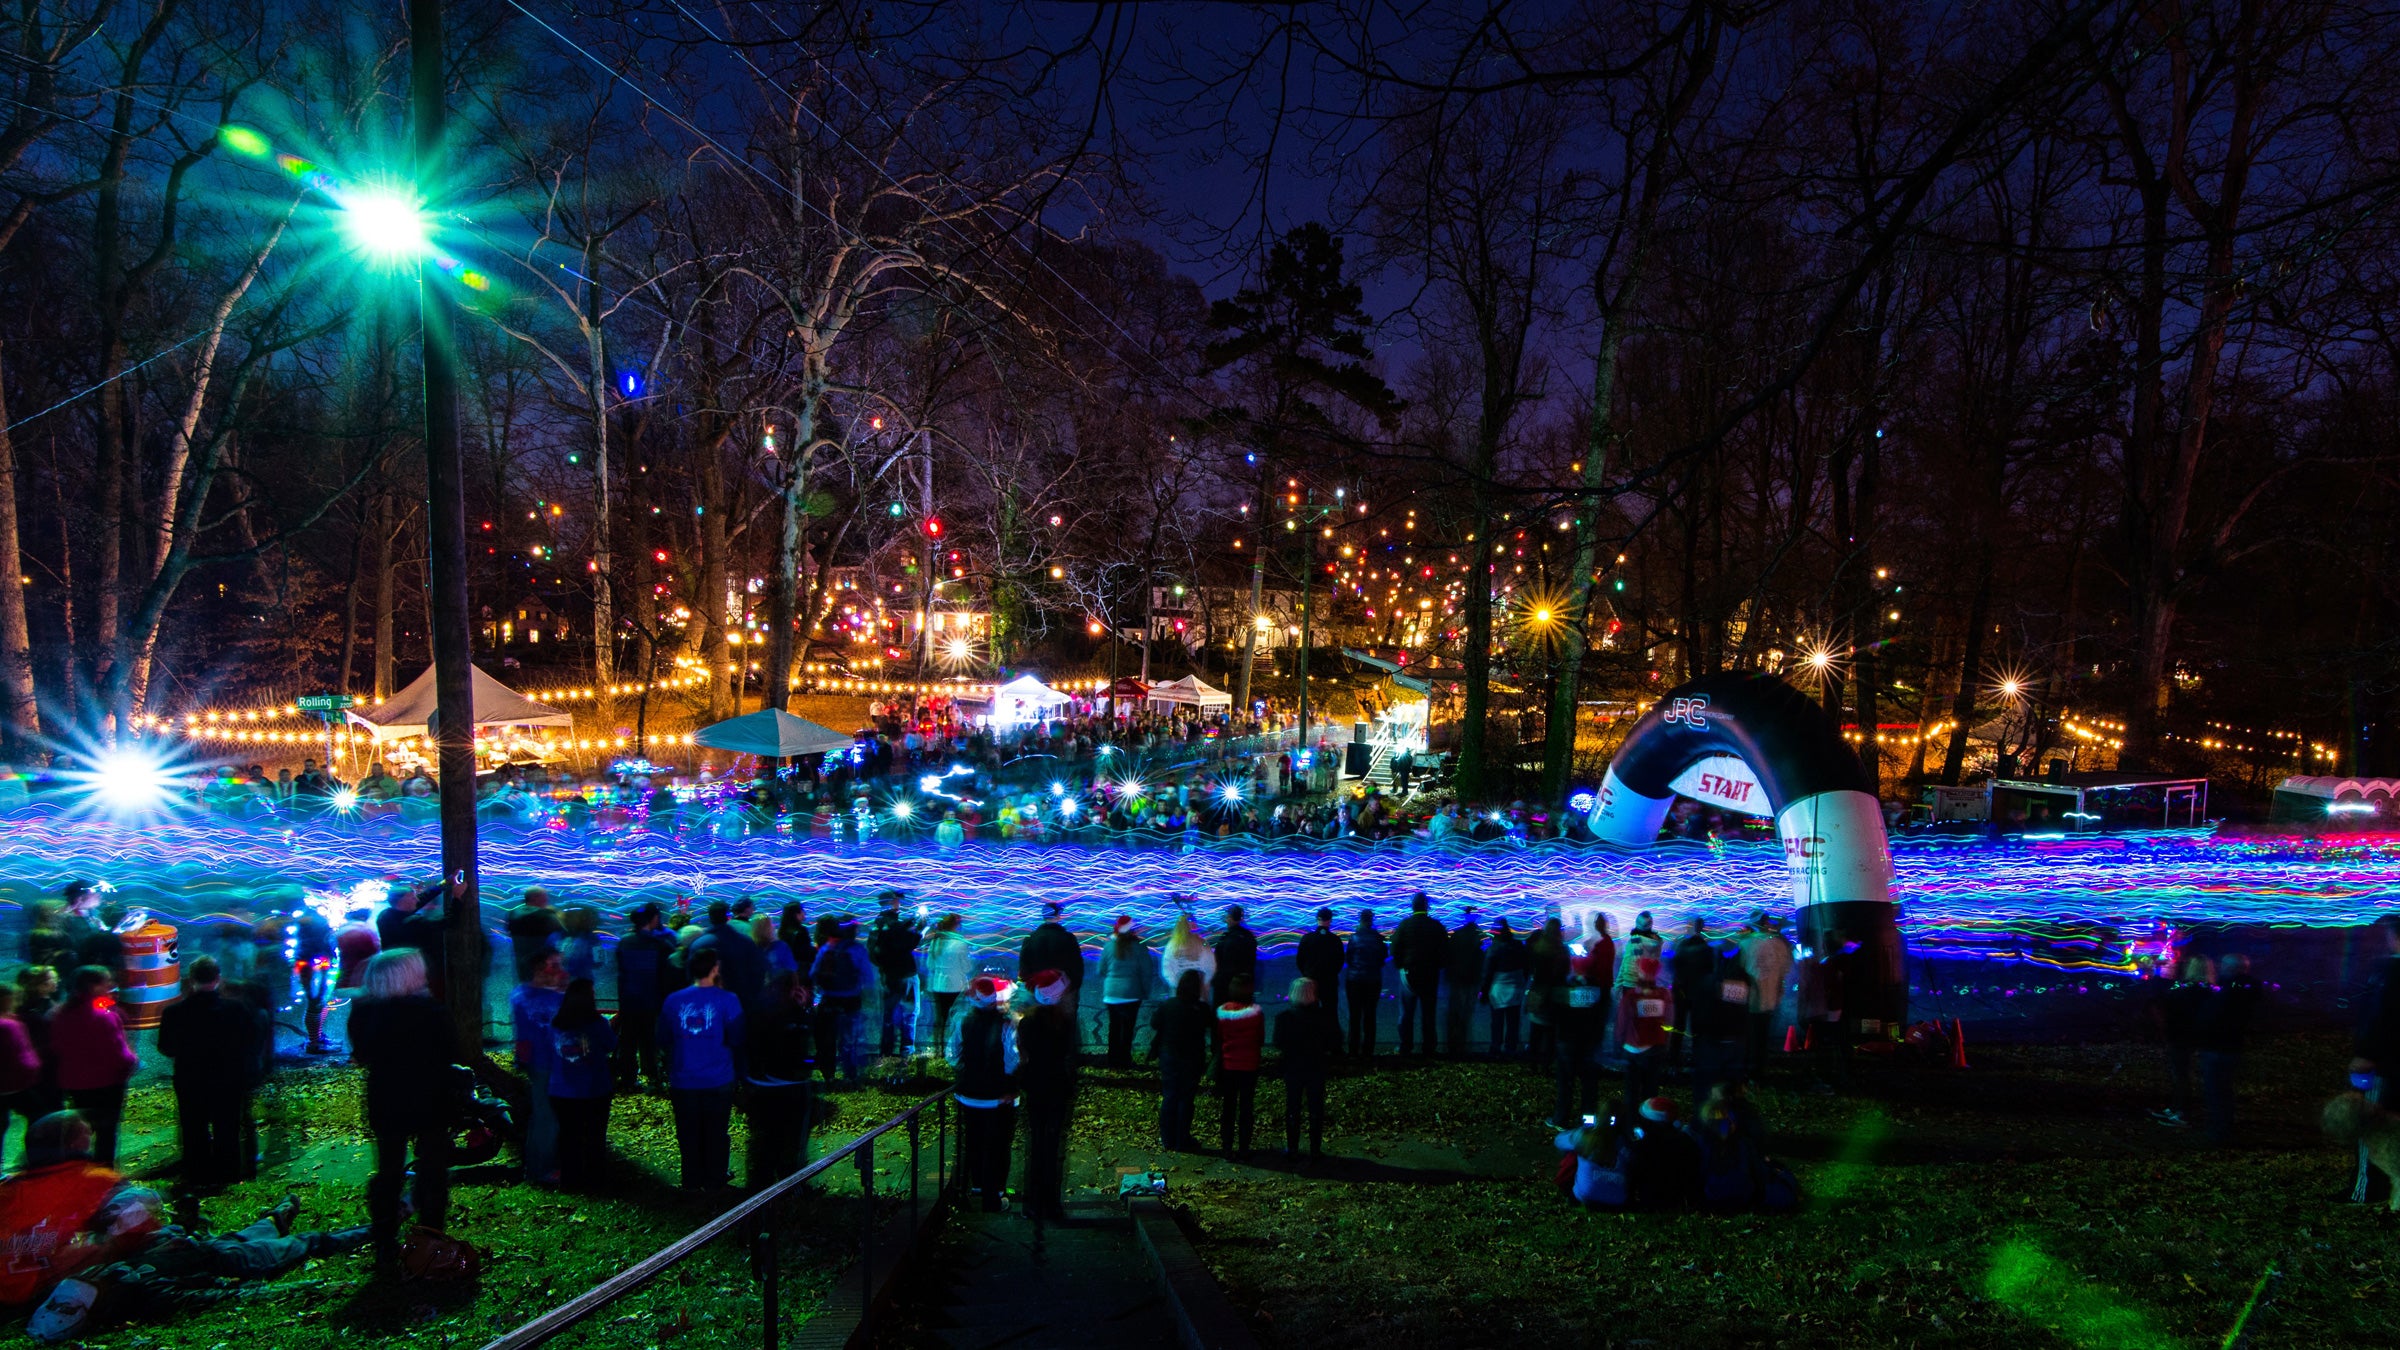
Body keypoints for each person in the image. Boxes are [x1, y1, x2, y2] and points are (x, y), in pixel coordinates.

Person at [1, 1113, 367, 1339]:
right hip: (110, 1275)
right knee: (221, 1253)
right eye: (86, 1134)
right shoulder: (91, 1181)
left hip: (27, 1298)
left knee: (215, 1244)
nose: (93, 1138)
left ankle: (273, 1221)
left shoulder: (8, 1190)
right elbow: (137, 1226)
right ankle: (331, 1236)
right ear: (73, 1143)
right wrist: (106, 1245)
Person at [347, 950, 454, 1270]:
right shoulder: (431, 1012)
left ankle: (385, 1240)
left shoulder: (365, 1013)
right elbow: (450, 1050)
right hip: (430, 1096)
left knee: (389, 1169)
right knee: (433, 1168)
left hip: (386, 1096)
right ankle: (431, 1235)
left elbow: (362, 1054)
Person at [154, 958, 259, 1190]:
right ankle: (227, 1172)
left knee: (193, 1126)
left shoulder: (174, 1012)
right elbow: (250, 1040)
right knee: (227, 1126)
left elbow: (166, 1047)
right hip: (228, 1077)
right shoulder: (235, 1009)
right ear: (218, 978)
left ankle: (198, 1173)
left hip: (190, 1078)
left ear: (191, 979)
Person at [660, 948, 745, 1191]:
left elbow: (662, 1037)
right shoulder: (728, 1000)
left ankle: (691, 1180)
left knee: (688, 1132)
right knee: (716, 1131)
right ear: (715, 969)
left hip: (683, 1078)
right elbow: (737, 1037)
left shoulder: (673, 1000)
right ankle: (715, 1179)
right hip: (718, 1077)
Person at [49, 968, 135, 1169]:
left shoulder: (59, 1013)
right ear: (93, 987)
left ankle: (77, 1170)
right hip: (107, 1082)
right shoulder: (105, 1017)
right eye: (106, 982)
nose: (110, 986)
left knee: (82, 1127)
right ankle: (104, 1174)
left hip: (75, 1082)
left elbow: (56, 1047)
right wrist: (132, 1063)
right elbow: (120, 1054)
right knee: (106, 1131)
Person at [947, 976, 1018, 1212]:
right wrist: (1010, 1084)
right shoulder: (1007, 1024)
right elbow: (1012, 1059)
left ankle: (975, 1187)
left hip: (968, 1093)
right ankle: (994, 1195)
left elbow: (952, 1055)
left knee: (973, 1141)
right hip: (998, 1096)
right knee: (997, 1145)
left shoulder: (962, 1020)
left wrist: (966, 1071)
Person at [1016, 970, 1079, 1220]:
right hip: (1057, 1085)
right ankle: (1051, 1203)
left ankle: (1032, 1202)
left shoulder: (1027, 1023)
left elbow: (1023, 1054)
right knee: (1053, 1145)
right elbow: (1070, 1055)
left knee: (1035, 1143)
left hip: (1034, 1085)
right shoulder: (1065, 1022)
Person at [744, 971, 815, 1189]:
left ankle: (760, 1187)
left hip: (764, 1084)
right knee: (789, 1141)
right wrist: (804, 1011)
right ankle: (789, 1185)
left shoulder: (759, 1010)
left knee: (765, 1140)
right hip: (787, 1086)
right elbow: (804, 1049)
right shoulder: (791, 1015)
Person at [547, 978, 617, 1191]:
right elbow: (611, 1045)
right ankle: (596, 1179)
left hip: (562, 1090)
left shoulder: (555, 1023)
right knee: (595, 1135)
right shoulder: (597, 1024)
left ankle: (570, 1179)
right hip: (594, 1089)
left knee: (569, 1136)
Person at [510, 950, 569, 1187]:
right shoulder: (527, 997)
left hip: (557, 1063)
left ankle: (547, 1163)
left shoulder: (527, 994)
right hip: (544, 1063)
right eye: (553, 966)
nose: (560, 971)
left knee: (549, 1114)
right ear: (538, 970)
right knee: (546, 1116)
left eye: (560, 965)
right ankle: (540, 1169)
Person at [2351, 914, 2400, 1202]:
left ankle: (2368, 1190)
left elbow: (2379, 1018)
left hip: (2385, 1064)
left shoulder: (2389, 973)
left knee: (2371, 1123)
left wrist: (2366, 1054)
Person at [2194, 953, 2260, 1144]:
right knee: (2225, 1088)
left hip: (2218, 1046)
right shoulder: (2250, 989)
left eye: (2223, 964)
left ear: (2230, 968)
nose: (2219, 967)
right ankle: (2225, 1126)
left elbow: (2211, 1018)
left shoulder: (2227, 991)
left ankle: (2219, 1132)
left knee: (2216, 1090)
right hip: (2234, 1046)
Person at [615, 902, 680, 1093]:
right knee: (650, 1040)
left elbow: (620, 972)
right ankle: (653, 1078)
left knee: (628, 1040)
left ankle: (628, 1079)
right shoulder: (659, 944)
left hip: (628, 999)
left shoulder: (624, 942)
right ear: (653, 919)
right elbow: (668, 972)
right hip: (651, 1001)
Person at [1273, 978, 1339, 1164]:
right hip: (1316, 1066)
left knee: (1293, 1107)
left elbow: (1278, 1042)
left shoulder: (1285, 1017)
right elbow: (1333, 1042)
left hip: (1293, 1066)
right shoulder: (1324, 1017)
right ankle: (1315, 1148)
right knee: (1316, 1108)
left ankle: (1292, 1147)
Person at [2150, 955, 2212, 1127]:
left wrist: (2158, 977)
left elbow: (2165, 1003)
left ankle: (2182, 1112)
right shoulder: (2208, 990)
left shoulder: (2187, 991)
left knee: (2181, 1075)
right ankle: (2177, 1108)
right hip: (2194, 1037)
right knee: (2182, 1074)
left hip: (2180, 1036)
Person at [1551, 945, 1609, 1131]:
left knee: (1565, 1083)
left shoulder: (1566, 989)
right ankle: (1588, 1121)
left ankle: (1561, 1119)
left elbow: (1557, 1013)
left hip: (1568, 1040)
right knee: (1589, 1085)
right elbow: (1603, 1014)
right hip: (1590, 1042)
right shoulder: (1598, 989)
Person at [808, 921, 873, 1084]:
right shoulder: (858, 949)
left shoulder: (828, 947)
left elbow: (813, 973)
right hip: (851, 1000)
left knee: (828, 1039)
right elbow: (868, 976)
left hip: (829, 999)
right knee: (849, 1038)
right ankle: (849, 1074)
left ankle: (828, 1075)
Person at [1150, 971, 1209, 1150]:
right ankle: (1182, 1138)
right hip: (1192, 1056)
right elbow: (1210, 1025)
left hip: (1169, 1054)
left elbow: (1155, 1023)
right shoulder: (1201, 1008)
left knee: (1170, 1095)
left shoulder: (1169, 1005)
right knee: (1186, 1098)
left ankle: (1167, 1138)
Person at [1095, 917, 1159, 1069]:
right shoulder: (1139, 947)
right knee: (1128, 1028)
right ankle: (1124, 1061)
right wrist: (1145, 991)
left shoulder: (1108, 946)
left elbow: (1100, 970)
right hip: (1132, 993)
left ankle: (1112, 1061)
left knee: (1114, 1027)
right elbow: (1147, 972)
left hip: (1112, 994)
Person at [1213, 973, 1264, 1158]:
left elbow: (1219, 1037)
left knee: (1228, 1107)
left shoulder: (1223, 1012)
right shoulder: (1256, 1013)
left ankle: (1227, 1146)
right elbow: (1260, 1038)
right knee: (1246, 1107)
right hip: (1249, 1065)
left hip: (1229, 1064)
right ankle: (1244, 1147)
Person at [867, 891, 923, 1057]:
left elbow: (873, 952)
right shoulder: (894, 925)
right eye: (897, 900)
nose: (899, 903)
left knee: (889, 1016)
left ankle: (886, 1053)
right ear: (891, 902)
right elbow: (907, 944)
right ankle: (906, 1054)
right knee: (909, 1014)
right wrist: (920, 930)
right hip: (905, 975)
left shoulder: (877, 925)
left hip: (888, 976)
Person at [1391, 893, 1447, 1057]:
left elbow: (1394, 948)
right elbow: (1444, 950)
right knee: (1428, 1013)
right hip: (1430, 974)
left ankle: (1405, 1046)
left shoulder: (1405, 925)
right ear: (1427, 907)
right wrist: (1437, 966)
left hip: (1409, 974)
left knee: (1406, 1013)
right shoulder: (1436, 926)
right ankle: (1429, 1047)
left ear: (1412, 906)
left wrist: (1401, 966)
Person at [1624, 1095, 1701, 1212]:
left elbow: (1634, 1175)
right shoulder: (1687, 1142)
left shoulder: (1644, 1146)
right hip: (1677, 1200)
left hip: (1649, 1200)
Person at [1616, 955, 1671, 1113]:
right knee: (1650, 1090)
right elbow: (1668, 1021)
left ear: (1639, 972)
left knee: (1631, 1090)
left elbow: (1622, 1022)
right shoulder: (1664, 995)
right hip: (1654, 1048)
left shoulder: (1631, 996)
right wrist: (1665, 1042)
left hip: (1632, 1048)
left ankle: (1631, 1121)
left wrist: (1618, 1044)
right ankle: (1649, 1119)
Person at [1742, 913, 1795, 1076]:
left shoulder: (1746, 944)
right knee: (1763, 1037)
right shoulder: (1778, 945)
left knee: (1750, 1037)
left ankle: (1750, 1071)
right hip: (1771, 1000)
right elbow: (1787, 969)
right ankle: (1760, 1070)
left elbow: (1740, 970)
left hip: (1751, 1000)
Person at [694, 900, 767, 1011]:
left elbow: (692, 976)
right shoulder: (745, 941)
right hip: (742, 1001)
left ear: (710, 917)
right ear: (728, 916)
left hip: (707, 1004)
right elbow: (758, 970)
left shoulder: (699, 944)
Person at [920, 914, 976, 1056]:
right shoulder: (960, 943)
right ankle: (955, 1050)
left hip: (938, 985)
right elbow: (967, 968)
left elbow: (930, 965)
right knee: (956, 1019)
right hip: (956, 986)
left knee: (940, 1019)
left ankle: (938, 1049)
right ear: (956, 926)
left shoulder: (935, 942)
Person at [1018, 903, 1086, 1013]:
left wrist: (1033, 987)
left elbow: (1024, 968)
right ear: (1058, 916)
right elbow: (1077, 966)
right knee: (1063, 1021)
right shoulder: (1068, 938)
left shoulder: (1030, 939)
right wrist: (1072, 988)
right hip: (1064, 992)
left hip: (1039, 991)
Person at [0, 987, 41, 1168]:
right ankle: (35, 1159)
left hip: (9, 1083)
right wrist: (33, 1071)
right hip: (14, 1083)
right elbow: (21, 1055)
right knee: (38, 1115)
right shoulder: (9, 1025)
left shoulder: (11, 1021)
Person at [1668, 917, 1714, 1072]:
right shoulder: (1705, 947)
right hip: (1698, 994)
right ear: (1701, 928)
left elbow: (1673, 965)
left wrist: (1677, 985)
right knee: (1697, 1028)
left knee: (1678, 1027)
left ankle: (1673, 1061)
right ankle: (1697, 1061)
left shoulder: (1681, 944)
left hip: (1681, 992)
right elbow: (1709, 971)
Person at [1527, 916, 1571, 1066]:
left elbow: (1533, 970)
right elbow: (1566, 972)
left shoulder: (1538, 947)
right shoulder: (1562, 950)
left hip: (1539, 992)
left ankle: (1533, 1064)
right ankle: (1547, 1064)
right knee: (1551, 1033)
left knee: (1536, 1031)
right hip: (1556, 994)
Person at [1343, 910, 1387, 1058]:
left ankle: (1353, 1049)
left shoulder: (1354, 938)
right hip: (1373, 980)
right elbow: (1383, 958)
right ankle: (1368, 1050)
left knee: (1354, 1016)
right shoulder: (1378, 938)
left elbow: (1348, 959)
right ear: (1371, 920)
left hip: (1354, 980)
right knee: (1370, 1015)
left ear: (1360, 920)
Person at [1485, 918, 1530, 1056]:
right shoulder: (1518, 945)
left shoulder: (1494, 949)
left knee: (1497, 1020)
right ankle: (1511, 1048)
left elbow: (1489, 972)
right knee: (1513, 1020)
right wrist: (1523, 982)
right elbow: (1526, 966)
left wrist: (1484, 991)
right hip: (1516, 987)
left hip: (1498, 989)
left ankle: (1495, 1047)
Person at [1296, 907, 1345, 1029]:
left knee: (1310, 1013)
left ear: (1317, 919)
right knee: (1330, 1012)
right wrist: (1332, 973)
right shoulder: (1335, 939)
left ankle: (1313, 1038)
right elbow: (1340, 961)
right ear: (1330, 920)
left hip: (1310, 980)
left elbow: (1300, 960)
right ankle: (1331, 1038)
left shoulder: (1307, 938)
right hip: (1330, 981)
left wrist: (1306, 974)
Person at [506, 886, 564, 982]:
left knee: (526, 983)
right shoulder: (547, 915)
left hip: (522, 961)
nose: (547, 899)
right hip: (545, 963)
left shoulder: (513, 913)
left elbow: (509, 933)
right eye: (544, 896)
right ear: (534, 898)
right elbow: (563, 933)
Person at [1212, 905, 1258, 1008]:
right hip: (1244, 983)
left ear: (1230, 918)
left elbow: (1219, 959)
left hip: (1225, 984)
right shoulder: (1249, 937)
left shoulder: (1227, 939)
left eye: (1227, 917)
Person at [1160, 913, 1216, 996]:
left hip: (1195, 991)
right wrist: (1179, 985)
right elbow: (1167, 968)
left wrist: (1202, 984)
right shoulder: (1173, 945)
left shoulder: (1202, 944)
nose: (1193, 923)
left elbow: (1210, 966)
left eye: (1194, 920)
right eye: (1190, 920)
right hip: (1185, 991)